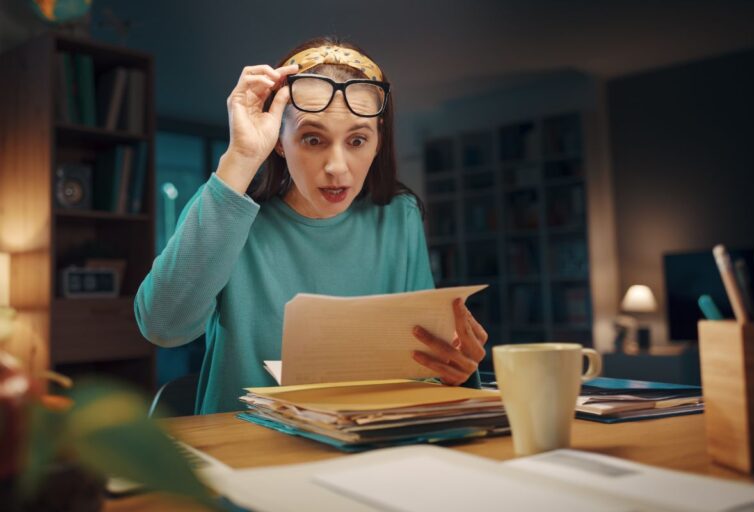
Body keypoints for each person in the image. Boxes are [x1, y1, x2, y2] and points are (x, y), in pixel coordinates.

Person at [135, 36, 489, 414]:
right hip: (246, 450)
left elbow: (421, 370)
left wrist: (453, 369)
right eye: (313, 138)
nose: (337, 167)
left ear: (378, 141)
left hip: (365, 449)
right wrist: (240, 156)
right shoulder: (229, 211)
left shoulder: (397, 216)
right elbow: (164, 326)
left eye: (357, 140)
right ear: (279, 141)